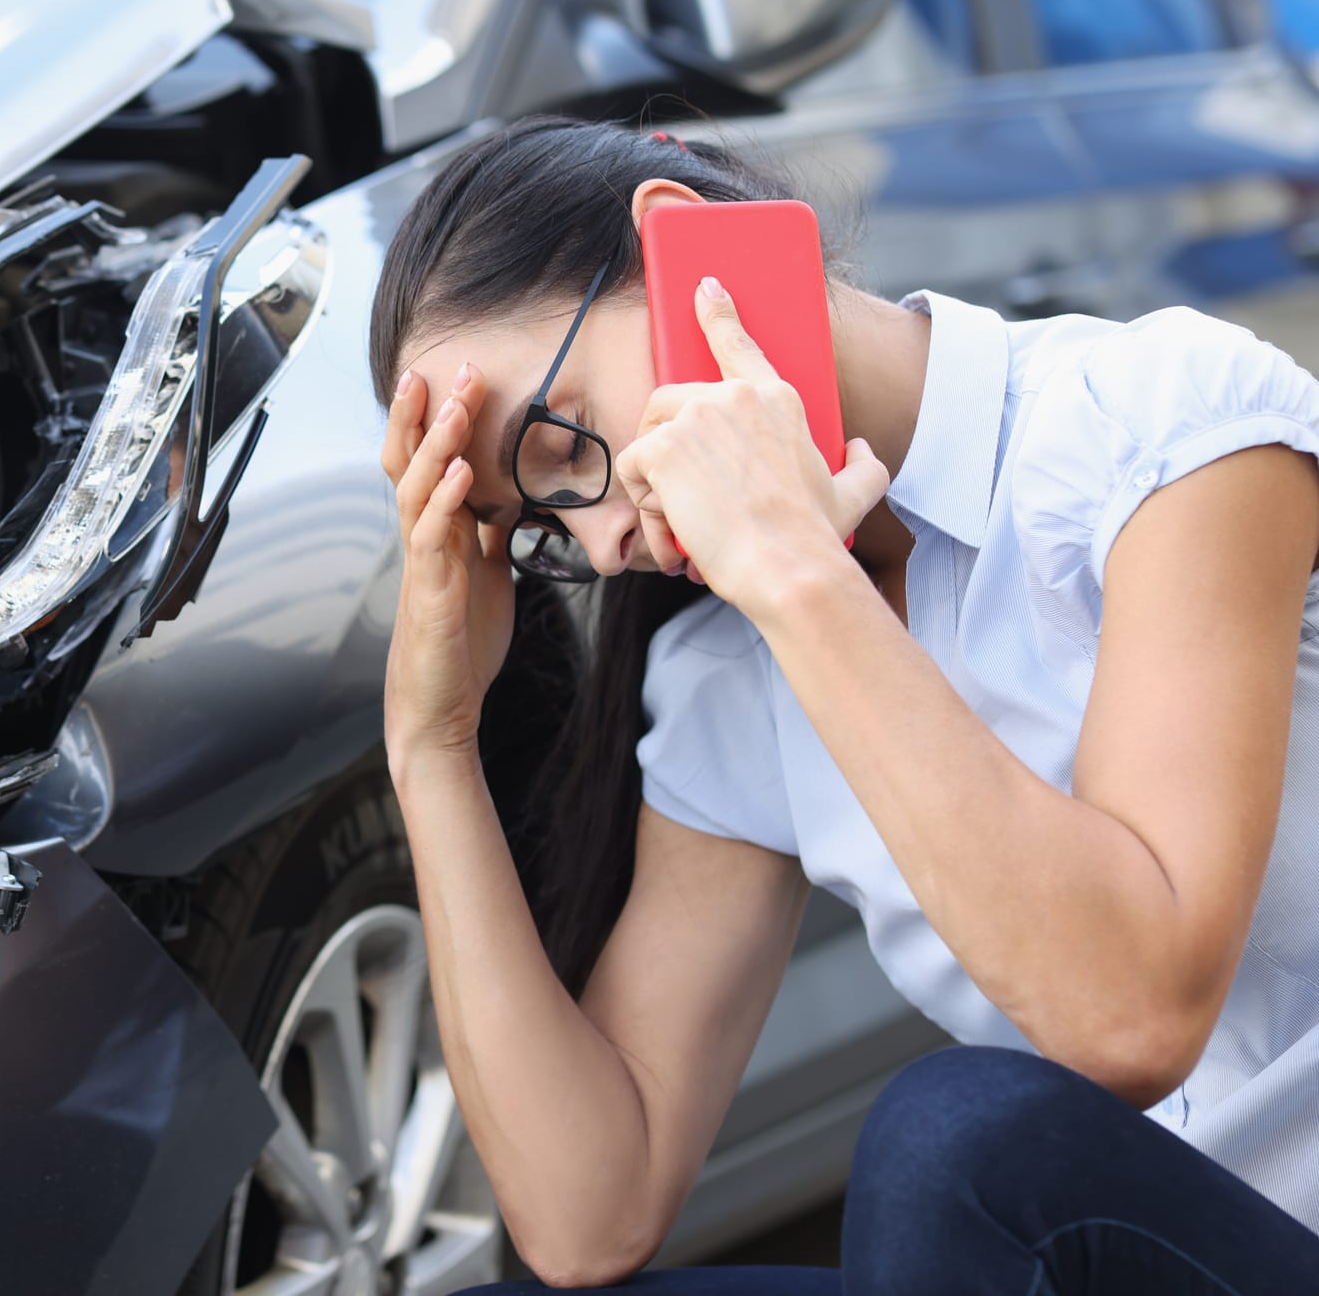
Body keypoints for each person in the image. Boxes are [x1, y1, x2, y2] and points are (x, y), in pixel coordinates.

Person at [374, 114, 1319, 1294]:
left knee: (954, 1140)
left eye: (560, 445)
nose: (603, 541)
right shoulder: (731, 667)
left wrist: (798, 575)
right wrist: (431, 741)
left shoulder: (1160, 427)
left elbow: (1129, 1016)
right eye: (539, 529)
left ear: (684, 252)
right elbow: (587, 1216)